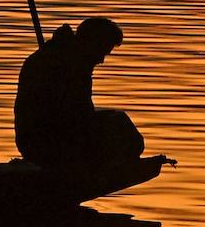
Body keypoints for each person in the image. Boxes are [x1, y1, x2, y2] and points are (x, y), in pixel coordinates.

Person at [13, 17, 143, 169]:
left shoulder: (67, 58)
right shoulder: (68, 67)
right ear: (92, 43)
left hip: (43, 137)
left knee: (117, 120)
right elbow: (74, 115)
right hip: (44, 144)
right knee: (122, 128)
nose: (101, 60)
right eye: (102, 51)